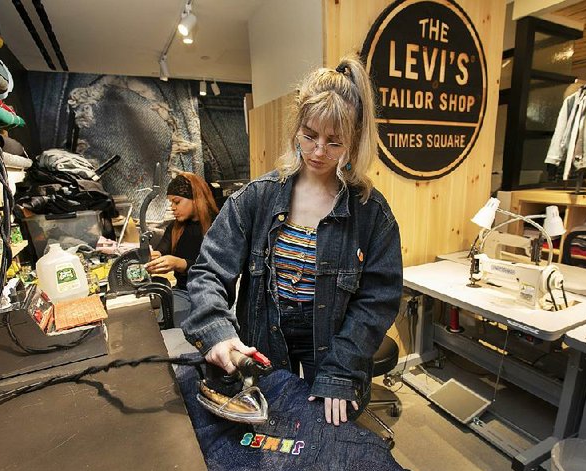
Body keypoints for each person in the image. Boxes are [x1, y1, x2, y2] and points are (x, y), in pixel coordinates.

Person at [182, 55, 403, 426]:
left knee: (325, 437)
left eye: (334, 143)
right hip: (264, 338)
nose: (318, 152)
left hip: (334, 345)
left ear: (355, 140)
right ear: (296, 127)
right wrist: (217, 333)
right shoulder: (256, 198)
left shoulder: (371, 214)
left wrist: (342, 370)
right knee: (270, 431)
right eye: (309, 136)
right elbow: (207, 274)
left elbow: (378, 301)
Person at [147, 172, 219, 324]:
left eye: (177, 202)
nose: (172, 208)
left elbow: (216, 269)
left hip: (211, 292)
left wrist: (180, 264)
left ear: (195, 199)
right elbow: (162, 250)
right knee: (166, 330)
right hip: (182, 291)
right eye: (171, 203)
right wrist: (155, 257)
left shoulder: (217, 227)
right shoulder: (174, 228)